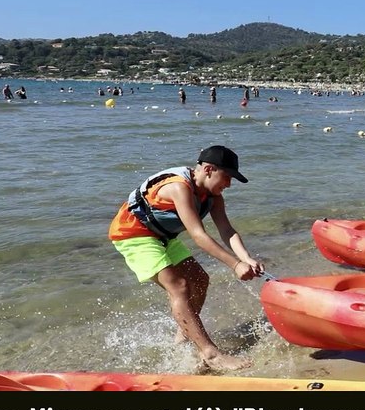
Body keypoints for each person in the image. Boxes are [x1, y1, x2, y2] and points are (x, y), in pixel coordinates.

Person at [108, 145, 265, 371]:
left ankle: (185, 336)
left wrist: (246, 259)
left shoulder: (214, 196)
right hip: (133, 235)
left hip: (163, 236)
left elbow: (227, 230)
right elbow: (199, 236)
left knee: (200, 280)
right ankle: (210, 354)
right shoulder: (178, 188)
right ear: (209, 169)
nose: (229, 185)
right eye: (228, 177)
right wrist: (235, 264)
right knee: (179, 287)